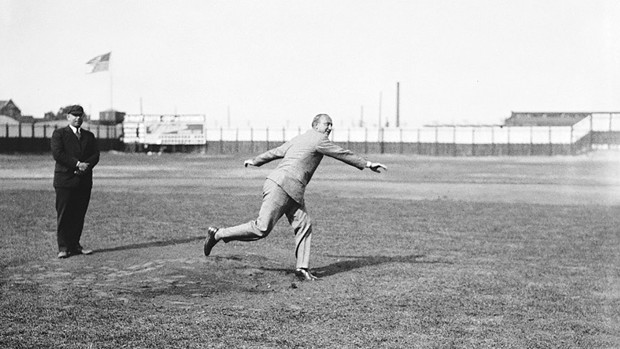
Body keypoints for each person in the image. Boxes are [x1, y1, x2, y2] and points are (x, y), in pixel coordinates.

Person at [204, 113, 387, 280]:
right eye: (327, 124)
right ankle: (218, 234)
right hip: (282, 186)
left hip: (291, 189)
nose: (330, 128)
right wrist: (368, 164)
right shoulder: (318, 139)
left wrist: (255, 160)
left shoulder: (300, 138)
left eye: (331, 125)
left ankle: (302, 268)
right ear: (316, 125)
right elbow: (341, 153)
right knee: (262, 228)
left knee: (304, 224)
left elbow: (276, 151)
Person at [51, 105, 100, 259]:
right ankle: (63, 247)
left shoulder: (89, 136)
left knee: (79, 214)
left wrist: (86, 166)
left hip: (83, 181)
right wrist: (77, 164)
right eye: (75, 115)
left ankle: (75, 245)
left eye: (80, 115)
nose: (78, 118)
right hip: (65, 180)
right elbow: (58, 154)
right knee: (64, 214)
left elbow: (95, 155)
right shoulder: (59, 134)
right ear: (68, 117)